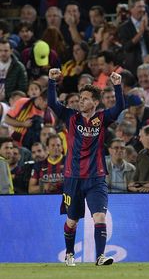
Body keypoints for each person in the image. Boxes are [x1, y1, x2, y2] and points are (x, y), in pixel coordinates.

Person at [48, 68, 124, 266]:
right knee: (72, 221)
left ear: (95, 102)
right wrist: (51, 82)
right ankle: (70, 254)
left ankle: (99, 257)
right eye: (80, 98)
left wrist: (117, 85)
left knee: (99, 216)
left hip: (96, 177)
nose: (81, 101)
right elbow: (52, 103)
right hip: (72, 178)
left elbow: (119, 107)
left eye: (86, 98)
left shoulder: (102, 119)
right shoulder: (70, 117)